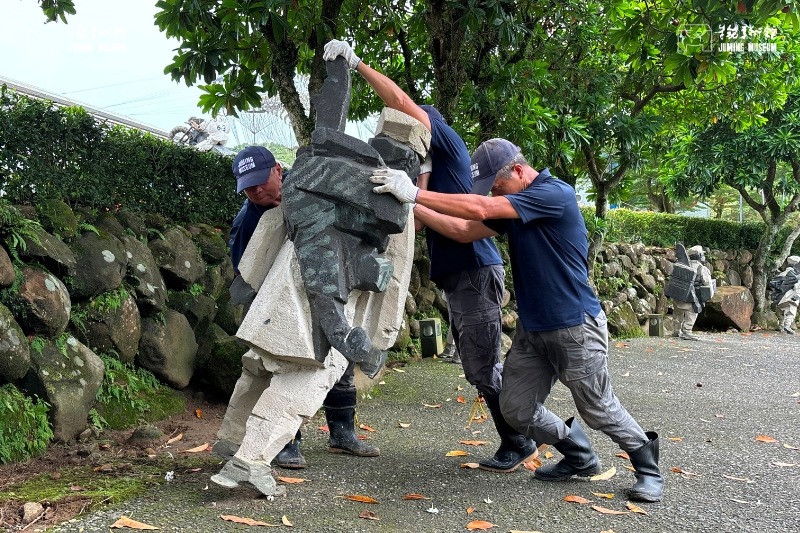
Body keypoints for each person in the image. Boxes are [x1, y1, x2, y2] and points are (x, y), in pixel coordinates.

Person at [368, 138, 664, 502]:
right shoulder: (520, 209)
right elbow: (464, 230)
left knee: (598, 407)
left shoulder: (555, 193)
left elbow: (479, 206)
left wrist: (414, 191)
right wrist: (412, 207)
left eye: (498, 184)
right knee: (515, 407)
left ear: (520, 171)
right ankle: (579, 456)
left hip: (575, 325)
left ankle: (648, 469)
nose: (493, 192)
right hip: (533, 330)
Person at [323, 40, 536, 473]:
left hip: (475, 269)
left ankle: (521, 439)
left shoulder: (449, 144)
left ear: (427, 128)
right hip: (463, 275)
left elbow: (401, 100)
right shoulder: (431, 172)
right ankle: (518, 436)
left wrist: (357, 62)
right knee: (478, 367)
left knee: (483, 368)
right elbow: (414, 222)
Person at [227, 145, 379, 469]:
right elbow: (244, 273)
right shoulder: (248, 221)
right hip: (278, 300)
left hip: (325, 286)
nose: (255, 191)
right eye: (247, 187)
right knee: (286, 369)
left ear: (278, 170)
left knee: (339, 362)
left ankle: (343, 432)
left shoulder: (310, 188)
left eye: (260, 182)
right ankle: (287, 443)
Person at [671, 245, 713, 341]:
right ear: (699, 255)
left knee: (678, 312)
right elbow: (707, 283)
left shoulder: (680, 265)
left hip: (677, 296)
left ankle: (676, 330)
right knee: (693, 311)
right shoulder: (701, 268)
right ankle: (687, 331)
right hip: (691, 297)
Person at [776, 255, 800, 334]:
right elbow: (797, 286)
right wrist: (797, 295)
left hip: (780, 297)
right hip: (791, 296)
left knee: (782, 311)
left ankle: (781, 326)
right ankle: (787, 325)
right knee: (791, 311)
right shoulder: (796, 275)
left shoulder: (782, 273)